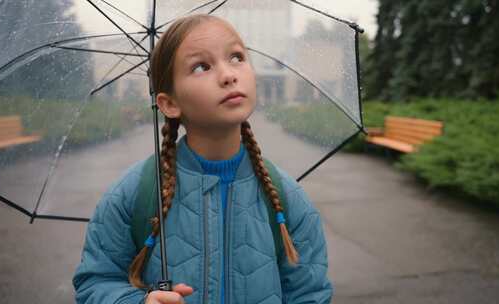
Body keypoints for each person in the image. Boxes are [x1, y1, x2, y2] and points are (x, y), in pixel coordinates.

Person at [72, 13, 333, 304]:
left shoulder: (287, 199)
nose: (228, 74)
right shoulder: (134, 194)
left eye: (236, 57)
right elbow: (95, 283)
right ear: (169, 104)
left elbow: (310, 295)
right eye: (201, 66)